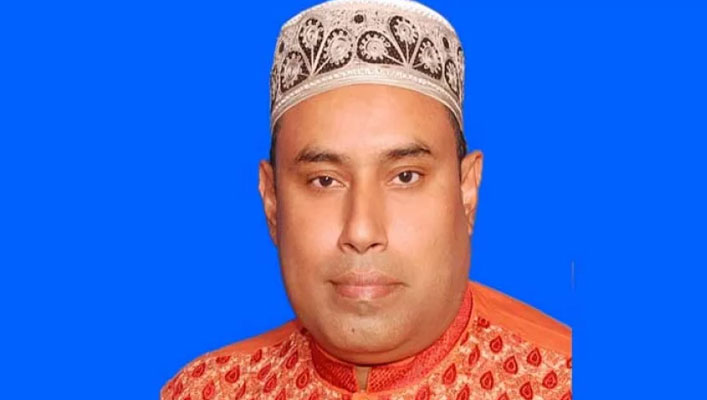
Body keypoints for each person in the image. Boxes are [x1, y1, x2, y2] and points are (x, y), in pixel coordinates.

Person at [161, 0, 572, 399]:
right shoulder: (209, 390)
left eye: (405, 177)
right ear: (272, 201)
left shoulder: (564, 380)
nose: (361, 230)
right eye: (324, 180)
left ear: (467, 191)